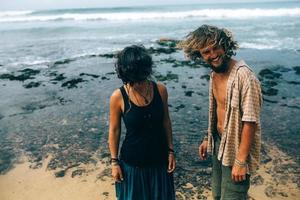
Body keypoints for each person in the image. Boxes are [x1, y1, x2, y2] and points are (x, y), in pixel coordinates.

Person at [180, 25, 262, 200]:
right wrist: (207, 138)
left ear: (225, 46)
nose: (213, 54)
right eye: (206, 51)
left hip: (236, 149)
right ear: (200, 55)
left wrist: (240, 161)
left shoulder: (245, 77)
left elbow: (250, 122)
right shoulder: (214, 74)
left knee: (233, 196)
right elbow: (217, 110)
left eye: (216, 47)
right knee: (217, 195)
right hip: (219, 144)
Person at [108, 45, 176, 200]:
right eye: (135, 73)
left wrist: (171, 151)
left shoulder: (160, 90)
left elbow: (166, 121)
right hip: (132, 165)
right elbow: (114, 130)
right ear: (126, 71)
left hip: (160, 162)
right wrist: (114, 162)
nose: (139, 78)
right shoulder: (118, 97)